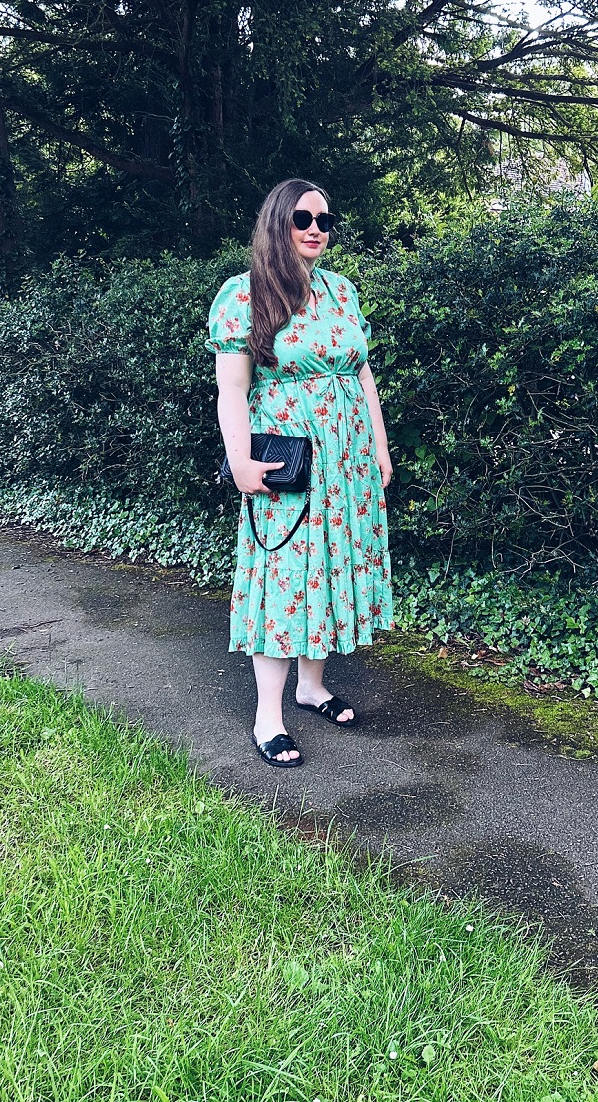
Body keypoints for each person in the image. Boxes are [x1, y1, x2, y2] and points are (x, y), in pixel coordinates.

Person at [207, 178, 393, 767]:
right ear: (276, 224)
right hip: (290, 460)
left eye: (324, 219)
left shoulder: (342, 292)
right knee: (284, 573)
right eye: (302, 218)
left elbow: (362, 376)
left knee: (332, 567)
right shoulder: (245, 294)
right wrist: (239, 460)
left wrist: (379, 450)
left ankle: (312, 688)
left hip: (349, 461)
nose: (316, 228)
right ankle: (269, 717)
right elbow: (232, 389)